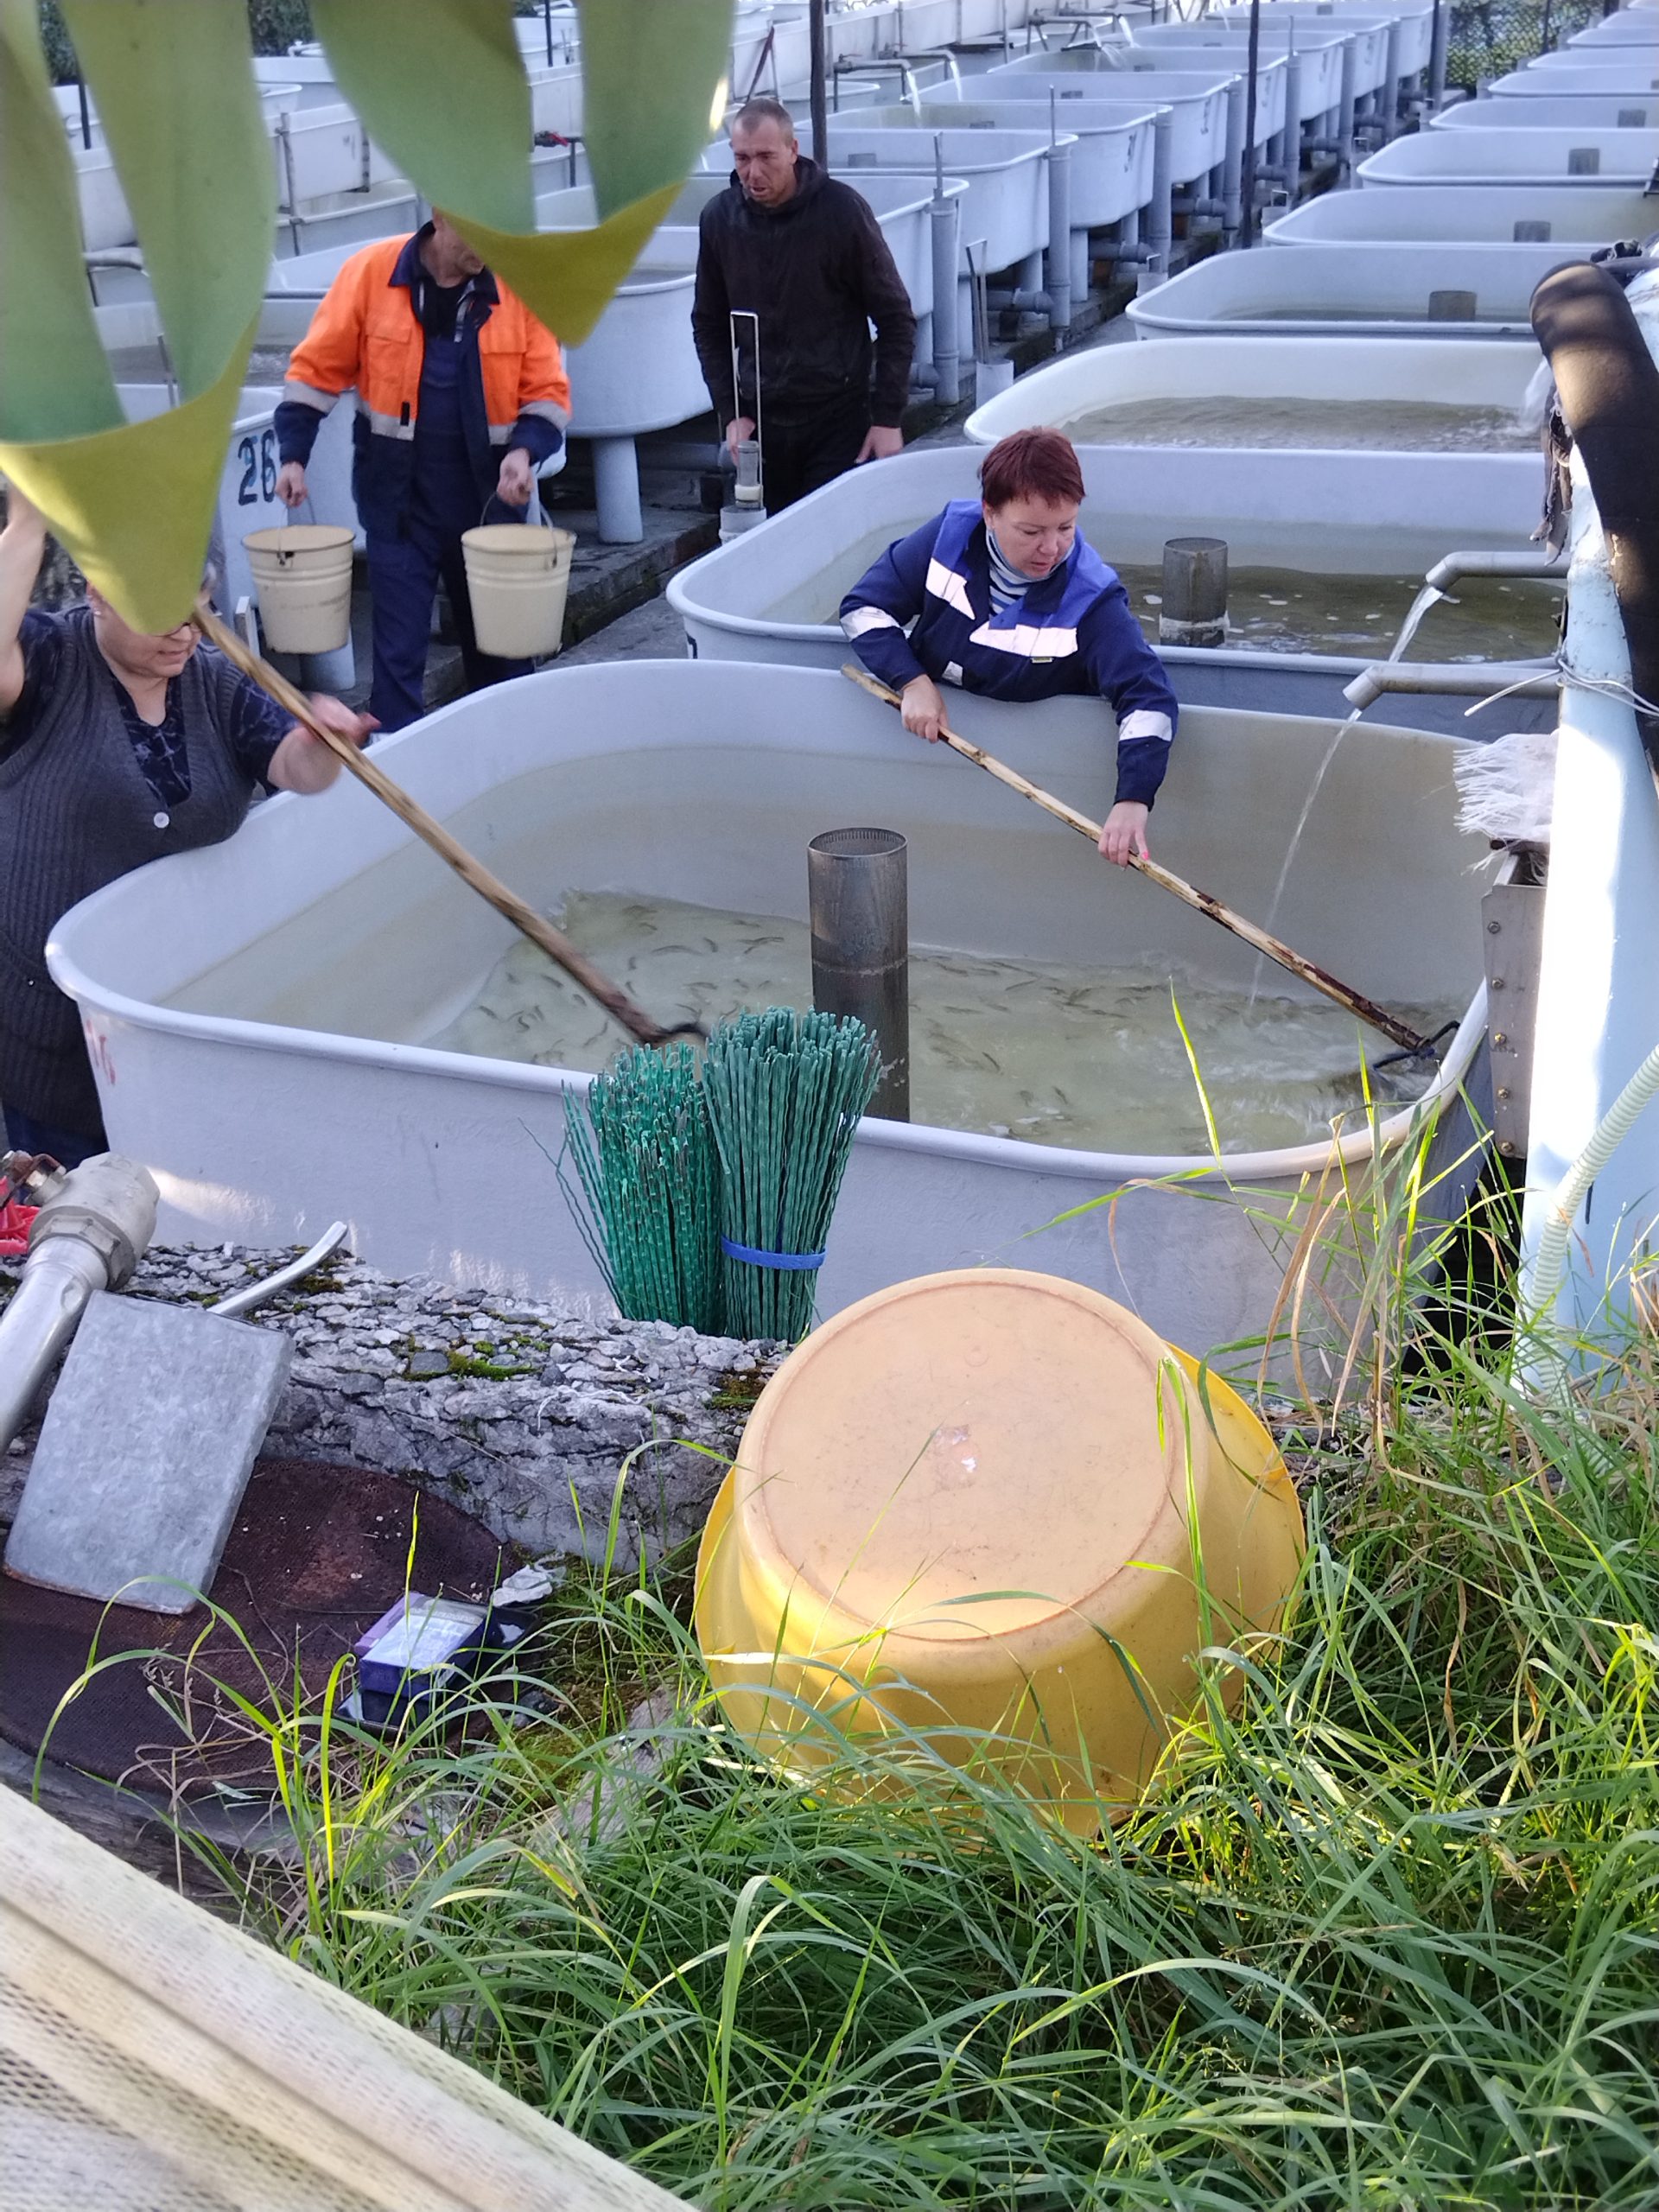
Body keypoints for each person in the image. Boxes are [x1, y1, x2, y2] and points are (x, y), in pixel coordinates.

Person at [0, 486, 375, 1168]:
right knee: (65, 1211)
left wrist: (324, 744)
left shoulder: (216, 683)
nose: (184, 635)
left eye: (195, 616)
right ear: (98, 596)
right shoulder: (49, 659)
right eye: (161, 618)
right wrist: (27, 525)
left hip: (184, 1009)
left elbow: (295, 766)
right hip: (55, 1031)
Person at [273, 213, 570, 733]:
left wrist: (523, 454)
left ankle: (508, 760)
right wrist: (294, 455)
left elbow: (547, 392)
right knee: (396, 660)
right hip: (399, 506)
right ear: (441, 218)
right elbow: (315, 370)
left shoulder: (519, 283)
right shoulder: (370, 273)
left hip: (491, 510)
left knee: (503, 658)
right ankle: (400, 779)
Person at [840, 429, 1179, 866]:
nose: (1051, 547)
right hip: (931, 769)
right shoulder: (948, 537)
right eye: (1031, 531)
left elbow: (1148, 698)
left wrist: (1133, 799)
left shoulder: (1091, 599)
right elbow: (863, 607)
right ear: (990, 514)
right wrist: (912, 682)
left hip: (1030, 783)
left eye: (1066, 527)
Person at [692, 98, 917, 513]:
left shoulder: (841, 212)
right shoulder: (720, 219)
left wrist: (888, 417)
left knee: (831, 533)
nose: (753, 173)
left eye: (766, 157)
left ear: (793, 151)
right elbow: (708, 324)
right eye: (742, 158)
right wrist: (731, 412)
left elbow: (896, 317)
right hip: (761, 419)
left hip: (837, 413)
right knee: (771, 544)